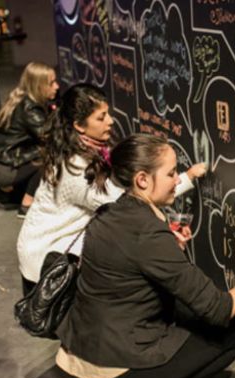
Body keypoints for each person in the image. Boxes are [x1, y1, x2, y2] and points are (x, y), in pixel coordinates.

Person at [54, 134, 235, 378]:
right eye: (171, 174)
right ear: (142, 180)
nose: (178, 180)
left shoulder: (109, 213)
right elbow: (220, 309)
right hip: (111, 366)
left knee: (183, 309)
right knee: (232, 333)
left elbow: (128, 267)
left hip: (78, 345)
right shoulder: (148, 234)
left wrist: (167, 250)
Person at [16, 83, 206, 294]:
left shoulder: (85, 148)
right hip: (49, 260)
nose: (110, 121)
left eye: (107, 114)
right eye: (101, 117)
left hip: (59, 252)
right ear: (79, 125)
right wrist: (185, 179)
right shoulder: (75, 167)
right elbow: (127, 202)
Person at [0, 61, 58, 215]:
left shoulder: (20, 98)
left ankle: (7, 191)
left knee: (39, 149)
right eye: (51, 83)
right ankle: (27, 204)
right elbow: (53, 138)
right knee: (51, 154)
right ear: (38, 86)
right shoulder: (30, 108)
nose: (57, 86)